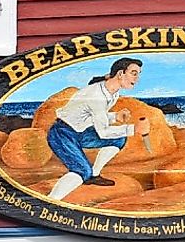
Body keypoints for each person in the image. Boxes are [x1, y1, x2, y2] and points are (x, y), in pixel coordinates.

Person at [44, 57, 150, 201]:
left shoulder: (112, 91)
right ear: (120, 74)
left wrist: (114, 117)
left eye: (138, 73)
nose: (137, 78)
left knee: (118, 139)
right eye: (134, 73)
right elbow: (103, 132)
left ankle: (94, 175)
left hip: (80, 132)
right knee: (82, 171)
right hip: (62, 134)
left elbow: (91, 115)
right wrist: (133, 128)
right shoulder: (96, 95)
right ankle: (51, 201)